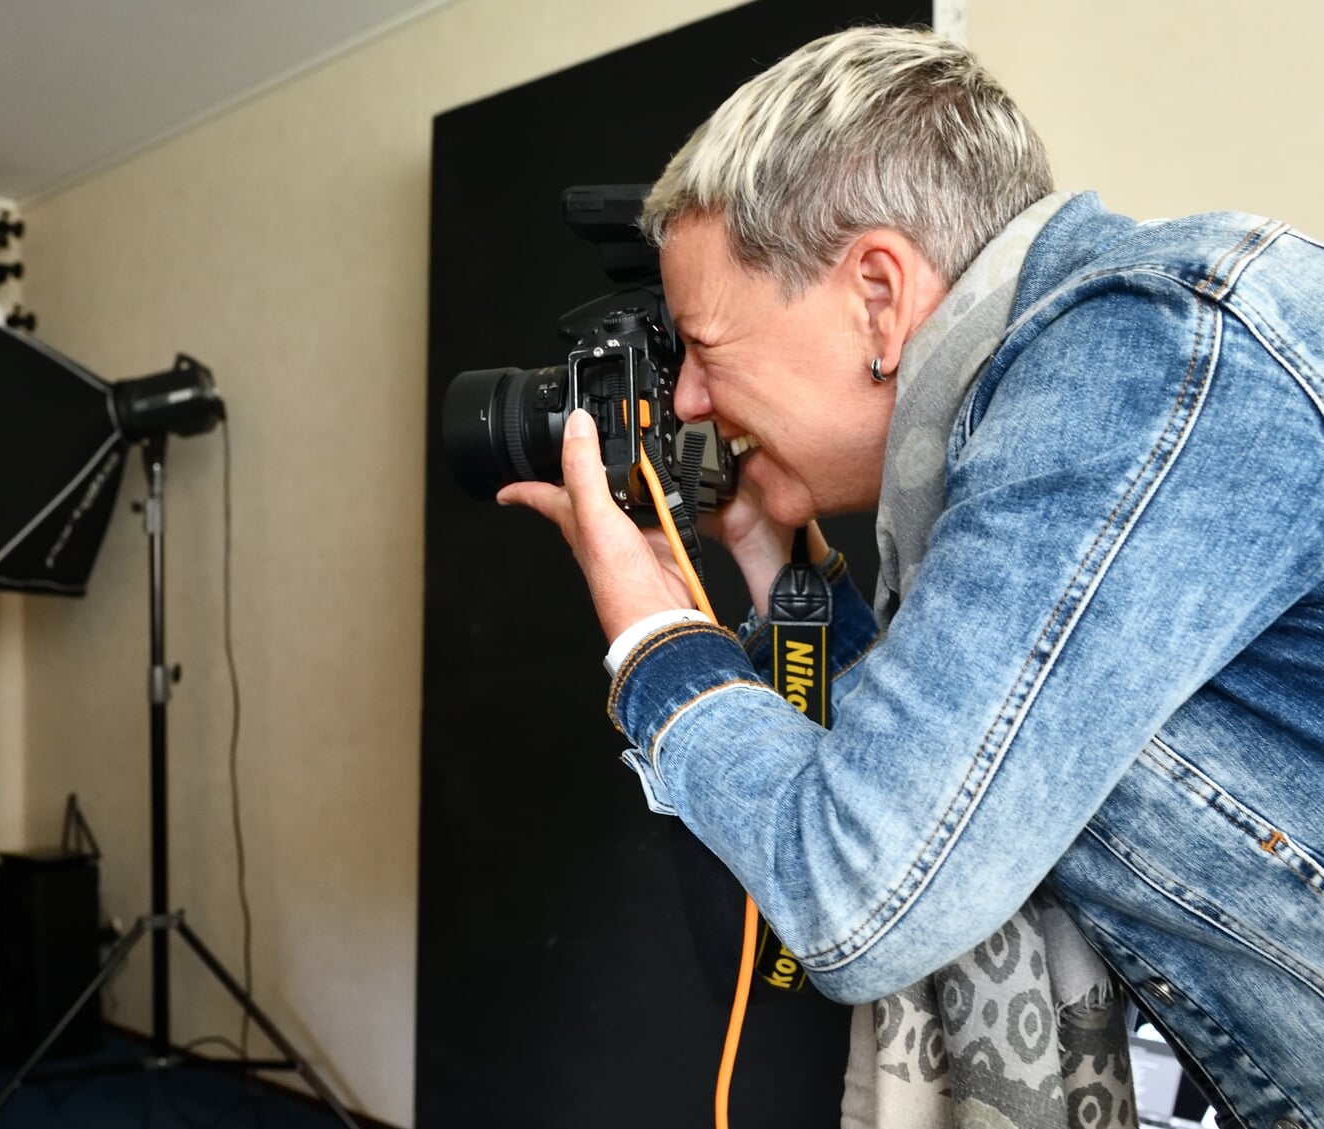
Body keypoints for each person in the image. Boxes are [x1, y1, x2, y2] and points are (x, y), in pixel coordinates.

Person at [501, 26, 1324, 1129]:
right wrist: (763, 550)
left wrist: (650, 645)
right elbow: (936, 772)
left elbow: (862, 885)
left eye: (702, 344)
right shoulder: (1029, 433)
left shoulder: (1139, 362)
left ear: (878, 297)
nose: (688, 401)